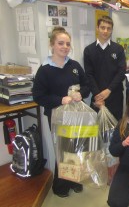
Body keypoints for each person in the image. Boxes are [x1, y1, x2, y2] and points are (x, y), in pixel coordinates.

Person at [32, 26, 90, 197]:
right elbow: (38, 96)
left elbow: (86, 85)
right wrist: (59, 100)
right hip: (57, 117)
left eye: (67, 44)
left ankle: (75, 180)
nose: (65, 47)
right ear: (52, 45)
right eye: (60, 43)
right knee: (63, 151)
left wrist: (81, 93)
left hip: (76, 115)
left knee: (77, 148)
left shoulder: (74, 65)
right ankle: (60, 186)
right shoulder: (45, 69)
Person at [84, 15, 126, 120]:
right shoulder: (89, 50)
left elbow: (121, 72)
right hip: (97, 98)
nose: (105, 31)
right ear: (97, 28)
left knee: (116, 128)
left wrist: (108, 90)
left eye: (109, 28)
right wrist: (97, 95)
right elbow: (89, 74)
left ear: (111, 30)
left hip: (114, 96)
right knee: (96, 131)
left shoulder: (118, 49)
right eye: (102, 27)